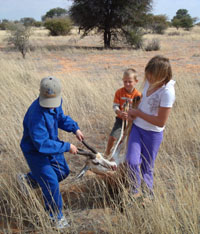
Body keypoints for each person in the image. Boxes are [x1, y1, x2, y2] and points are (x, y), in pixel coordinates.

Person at [19, 76, 84, 229]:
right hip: (35, 152)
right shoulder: (36, 114)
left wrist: (75, 128)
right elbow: (41, 144)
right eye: (48, 103)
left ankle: (28, 180)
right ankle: (55, 217)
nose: (51, 106)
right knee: (51, 182)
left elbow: (60, 118)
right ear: (41, 94)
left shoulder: (56, 102)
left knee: (63, 172)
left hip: (52, 146)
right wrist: (67, 146)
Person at [126, 55, 175, 199]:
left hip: (153, 134)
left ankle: (148, 195)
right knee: (132, 161)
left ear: (161, 75)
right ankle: (135, 191)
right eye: (147, 74)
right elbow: (143, 99)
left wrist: (138, 113)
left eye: (151, 75)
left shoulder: (167, 92)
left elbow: (161, 122)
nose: (148, 78)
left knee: (147, 166)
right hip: (137, 128)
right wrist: (133, 111)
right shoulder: (149, 81)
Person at [104, 68, 141, 158]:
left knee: (124, 139)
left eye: (130, 81)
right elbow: (115, 106)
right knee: (113, 137)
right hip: (120, 119)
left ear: (136, 81)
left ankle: (117, 157)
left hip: (131, 121)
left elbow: (138, 109)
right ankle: (107, 153)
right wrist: (120, 113)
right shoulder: (119, 92)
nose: (127, 84)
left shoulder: (138, 95)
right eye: (125, 81)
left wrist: (130, 115)